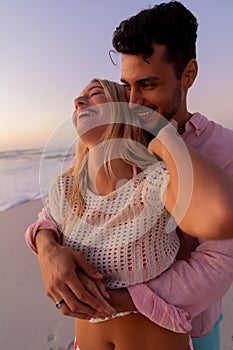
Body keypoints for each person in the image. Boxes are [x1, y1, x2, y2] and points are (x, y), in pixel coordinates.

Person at [25, 2, 233, 350]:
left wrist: (120, 301)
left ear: (189, 74)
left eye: (148, 85)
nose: (133, 101)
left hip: (193, 328)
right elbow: (60, 211)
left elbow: (218, 261)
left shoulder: (222, 148)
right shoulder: (115, 142)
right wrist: (47, 251)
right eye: (127, 86)